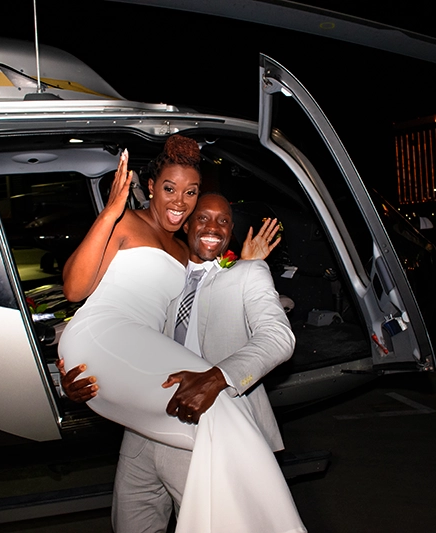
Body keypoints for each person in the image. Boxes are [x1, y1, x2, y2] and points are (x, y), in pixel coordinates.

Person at [57, 135, 305, 533]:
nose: (182, 202)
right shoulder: (134, 231)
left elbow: (275, 336)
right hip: (138, 417)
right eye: (171, 189)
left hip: (185, 415)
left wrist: (246, 265)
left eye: (192, 193)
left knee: (222, 488)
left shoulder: (223, 267)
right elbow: (83, 294)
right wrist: (110, 212)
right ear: (152, 187)